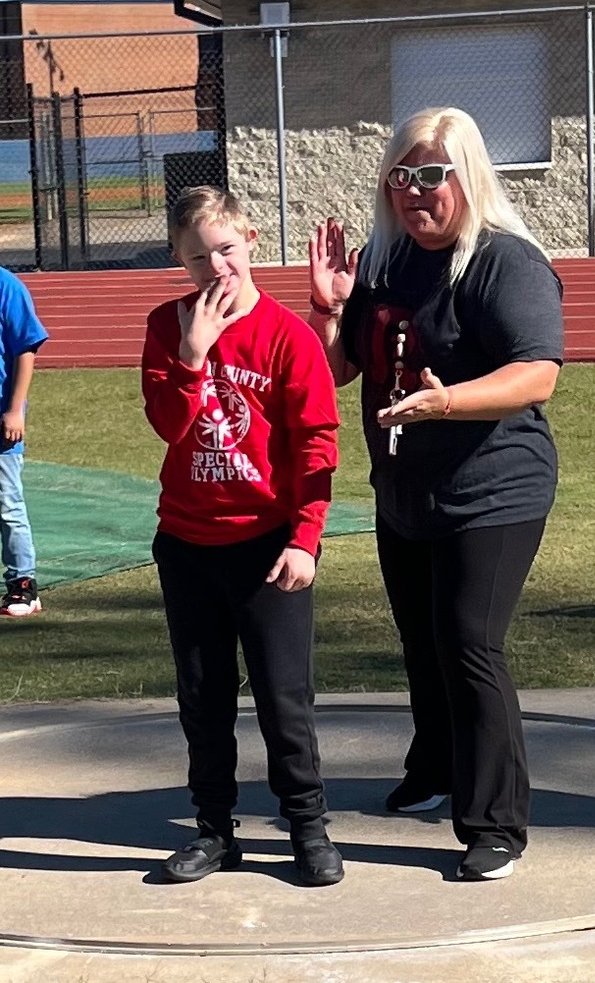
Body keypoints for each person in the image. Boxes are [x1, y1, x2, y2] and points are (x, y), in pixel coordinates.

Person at [308, 107, 563, 882]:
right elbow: (336, 373)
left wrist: (445, 400)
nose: (415, 193)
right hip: (404, 489)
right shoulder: (385, 263)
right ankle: (436, 766)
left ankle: (496, 823)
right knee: (422, 643)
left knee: (468, 643)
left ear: (468, 178)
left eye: (432, 176)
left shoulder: (503, 262)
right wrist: (326, 309)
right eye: (402, 177)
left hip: (495, 490)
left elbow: (537, 373)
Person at [142, 186, 344, 887]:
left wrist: (305, 540)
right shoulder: (168, 326)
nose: (216, 268)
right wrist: (193, 356)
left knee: (284, 696)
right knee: (203, 696)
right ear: (179, 260)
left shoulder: (287, 336)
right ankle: (214, 830)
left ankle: (308, 826)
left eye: (226, 249)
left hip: (267, 545)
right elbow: (169, 426)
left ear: (252, 241)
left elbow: (318, 444)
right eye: (197, 258)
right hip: (189, 543)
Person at [0, 267, 48, 618]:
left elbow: (25, 348)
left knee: (7, 505)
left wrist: (16, 409)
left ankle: (23, 583)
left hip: (1, 417)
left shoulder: (6, 286)